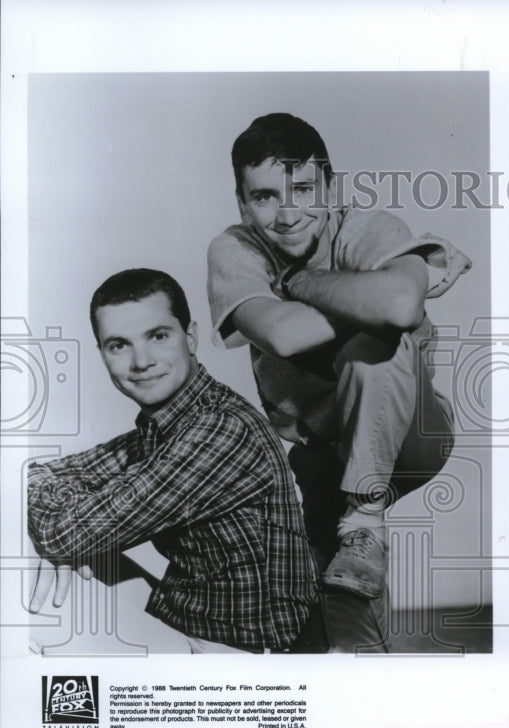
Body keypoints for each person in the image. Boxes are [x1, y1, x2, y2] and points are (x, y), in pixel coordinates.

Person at [207, 113, 470, 653]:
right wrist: (374, 297)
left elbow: (395, 309)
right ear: (241, 203)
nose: (287, 215)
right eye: (264, 197)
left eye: (303, 189)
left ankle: (366, 519)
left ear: (331, 188)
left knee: (372, 346)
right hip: (323, 449)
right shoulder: (235, 249)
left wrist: (297, 280)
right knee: (329, 586)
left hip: (411, 433)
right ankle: (360, 665)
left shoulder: (368, 227)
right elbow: (281, 333)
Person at [27, 269, 317, 654]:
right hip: (187, 628)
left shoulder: (222, 431)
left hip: (245, 659)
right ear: (102, 354)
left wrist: (61, 542)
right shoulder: (167, 426)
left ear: (191, 337)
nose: (141, 361)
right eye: (118, 345)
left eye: (158, 336)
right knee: (38, 553)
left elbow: (62, 533)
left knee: (24, 582)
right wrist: (61, 542)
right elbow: (33, 476)